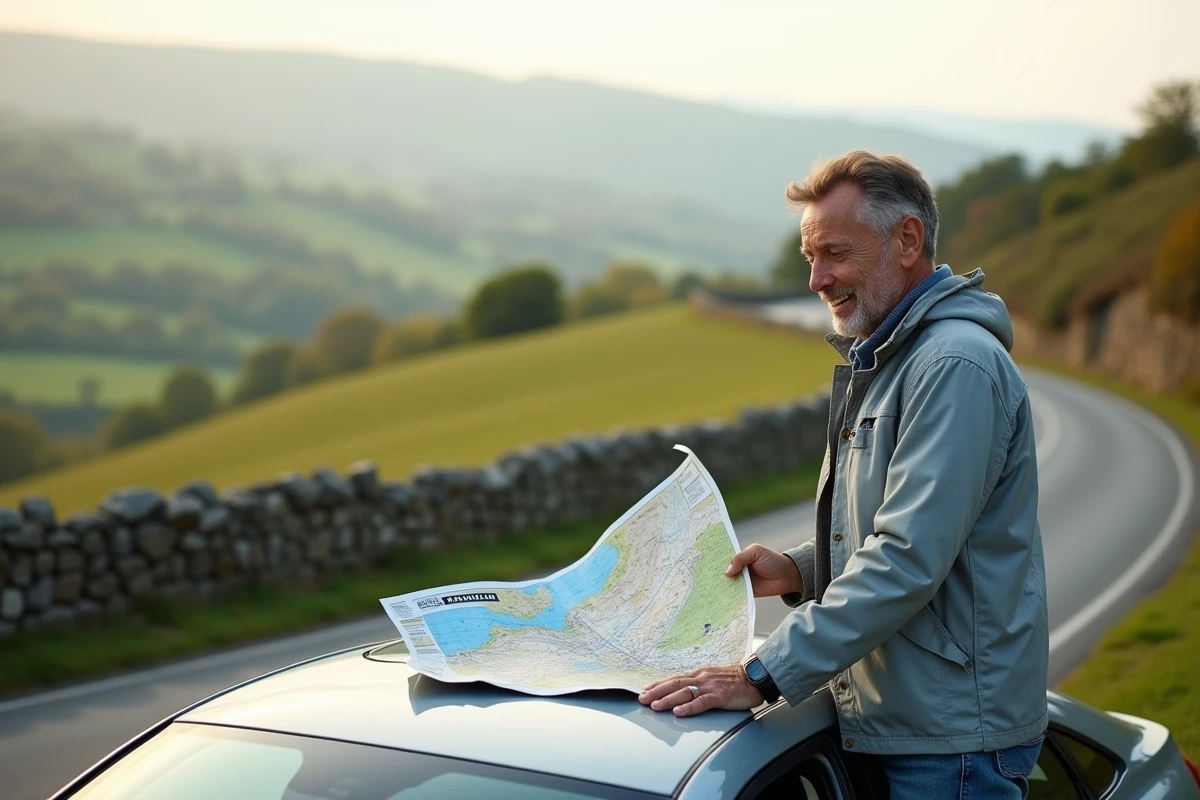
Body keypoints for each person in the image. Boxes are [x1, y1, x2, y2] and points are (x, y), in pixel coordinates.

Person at [639, 151, 1048, 799]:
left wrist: (765, 673)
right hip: (904, 724)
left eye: (834, 253)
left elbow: (908, 557)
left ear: (907, 240)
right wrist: (802, 569)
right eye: (809, 258)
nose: (816, 280)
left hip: (950, 747)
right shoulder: (894, 358)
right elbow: (898, 527)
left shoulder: (953, 366)